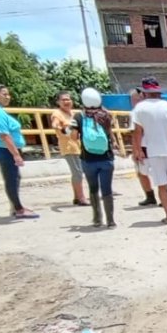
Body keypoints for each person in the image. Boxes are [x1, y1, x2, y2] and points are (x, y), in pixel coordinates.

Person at [132, 77, 167, 223]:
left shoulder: (139, 108)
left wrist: (138, 151)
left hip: (154, 152)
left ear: (144, 93)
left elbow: (137, 132)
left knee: (162, 185)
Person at [0, 82, 38, 220]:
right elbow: (4, 135)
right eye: (4, 94)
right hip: (4, 149)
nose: (8, 97)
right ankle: (18, 209)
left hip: (0, 147)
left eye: (8, 94)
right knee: (11, 179)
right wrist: (16, 155)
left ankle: (15, 205)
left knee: (13, 177)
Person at [73, 88, 117, 228]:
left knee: (93, 189)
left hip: (88, 159)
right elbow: (110, 134)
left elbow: (73, 136)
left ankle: (97, 219)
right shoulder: (106, 115)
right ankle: (111, 221)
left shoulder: (78, 117)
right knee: (107, 189)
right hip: (106, 158)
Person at [50, 92, 89, 206]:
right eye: (63, 100)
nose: (66, 102)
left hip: (78, 146)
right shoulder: (57, 113)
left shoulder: (74, 113)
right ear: (58, 102)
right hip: (68, 147)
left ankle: (77, 197)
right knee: (77, 172)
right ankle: (82, 197)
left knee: (77, 172)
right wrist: (62, 128)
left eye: (68, 99)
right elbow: (55, 124)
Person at [129, 87, 157, 206]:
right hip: (156, 146)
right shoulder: (154, 110)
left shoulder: (136, 112)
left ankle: (150, 196)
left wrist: (136, 150)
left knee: (142, 173)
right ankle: (160, 197)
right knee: (159, 172)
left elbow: (135, 133)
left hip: (144, 147)